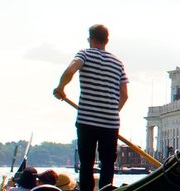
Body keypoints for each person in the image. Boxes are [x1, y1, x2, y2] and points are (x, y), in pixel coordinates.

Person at [54, 24, 130, 191]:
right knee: (108, 163)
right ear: (107, 40)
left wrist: (61, 88)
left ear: (90, 39)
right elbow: (125, 95)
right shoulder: (118, 62)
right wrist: (112, 111)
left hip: (87, 119)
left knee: (86, 163)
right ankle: (106, 189)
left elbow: (70, 71)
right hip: (110, 122)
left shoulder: (85, 54)